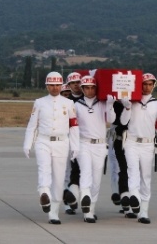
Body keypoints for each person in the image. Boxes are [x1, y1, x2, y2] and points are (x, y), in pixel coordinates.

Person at [23, 72, 80, 224]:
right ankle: (44, 193)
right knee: (44, 169)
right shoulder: (39, 102)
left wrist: (75, 146)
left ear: (62, 86)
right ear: (47, 86)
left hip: (62, 143)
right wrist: (27, 144)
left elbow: (74, 127)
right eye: (51, 85)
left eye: (57, 85)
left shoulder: (68, 104)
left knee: (59, 178)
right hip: (43, 141)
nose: (54, 88)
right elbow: (32, 125)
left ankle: (54, 213)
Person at [74, 75, 130, 223]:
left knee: (97, 178)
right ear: (82, 89)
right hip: (83, 143)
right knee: (86, 172)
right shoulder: (77, 105)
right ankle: (85, 197)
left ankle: (91, 208)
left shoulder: (103, 103)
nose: (90, 90)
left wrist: (110, 105)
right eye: (87, 88)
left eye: (92, 87)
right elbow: (73, 127)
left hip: (99, 145)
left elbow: (110, 120)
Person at [122, 73, 157, 224]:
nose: (147, 87)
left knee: (146, 178)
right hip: (132, 142)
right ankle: (134, 197)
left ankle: (144, 212)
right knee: (132, 171)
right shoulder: (132, 101)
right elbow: (123, 121)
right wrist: (127, 106)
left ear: (154, 85)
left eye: (150, 84)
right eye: (144, 84)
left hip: (148, 144)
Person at [63, 72, 83, 214]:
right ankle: (68, 202)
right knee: (67, 171)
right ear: (69, 85)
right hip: (68, 140)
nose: (76, 85)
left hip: (84, 140)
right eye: (73, 83)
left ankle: (75, 197)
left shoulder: (87, 99)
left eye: (78, 82)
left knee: (81, 171)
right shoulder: (65, 102)